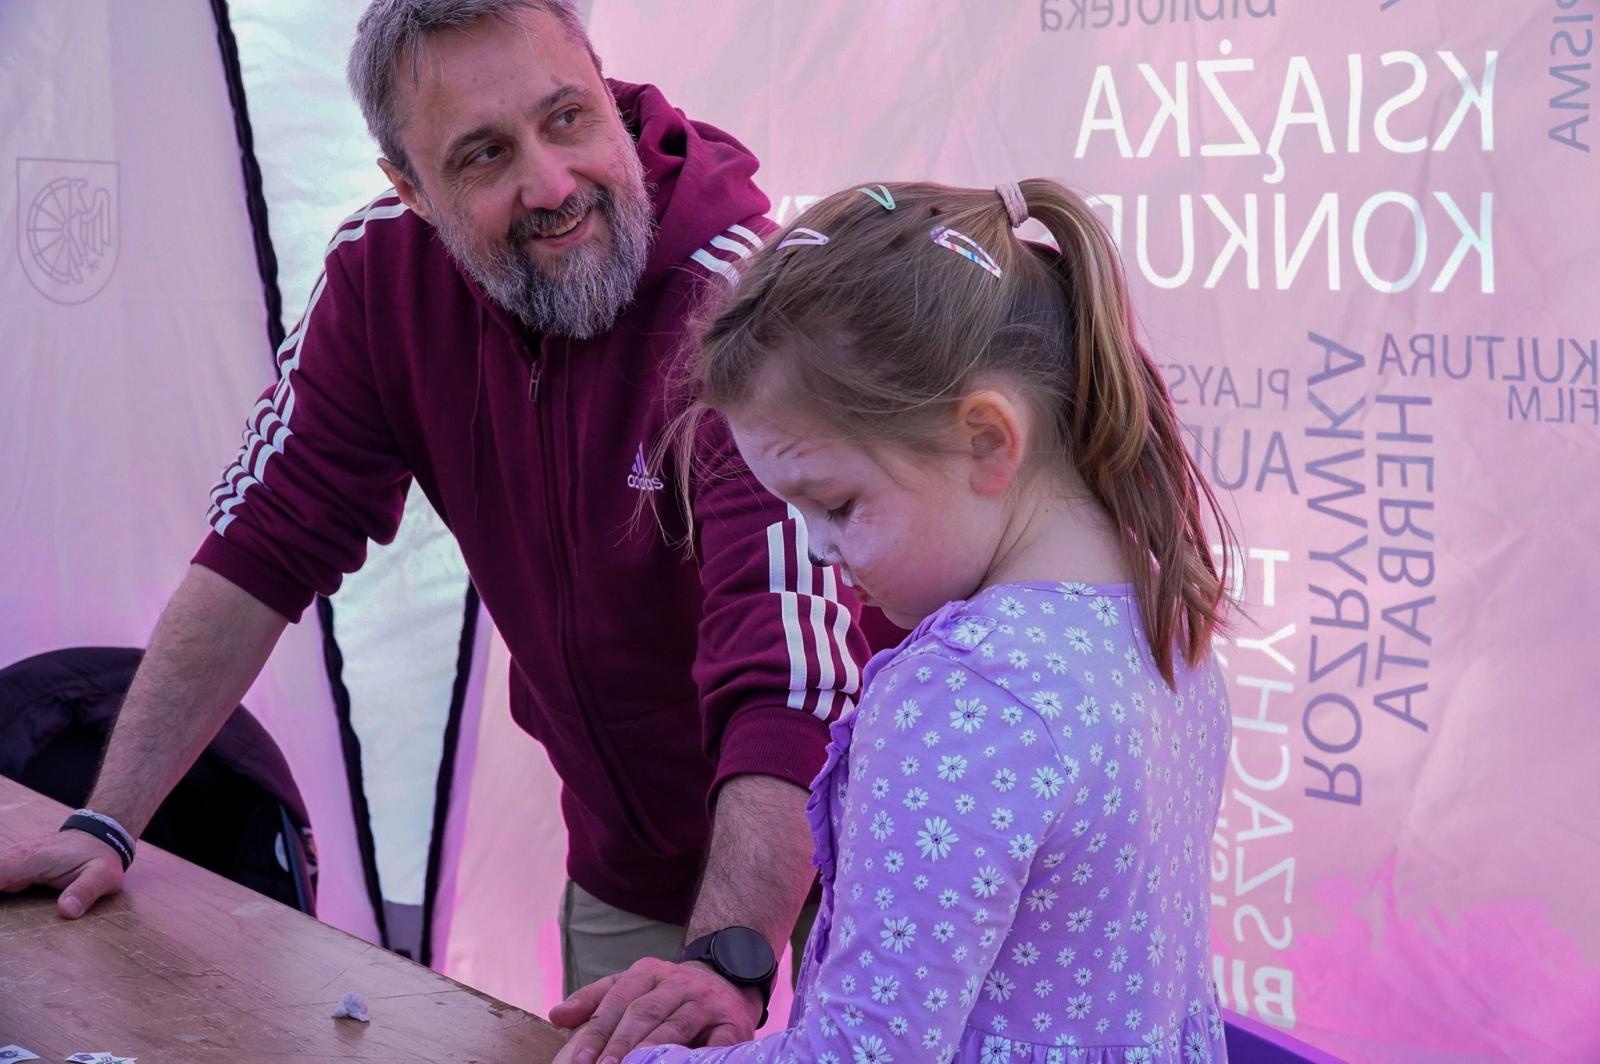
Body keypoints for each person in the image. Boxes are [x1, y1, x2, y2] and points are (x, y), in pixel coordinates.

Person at [0, 0, 868, 1052]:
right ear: (408, 187)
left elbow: (791, 669)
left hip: (852, 862)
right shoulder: (380, 281)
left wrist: (727, 956)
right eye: (484, 155)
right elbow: (261, 545)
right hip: (625, 866)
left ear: (605, 85)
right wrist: (105, 818)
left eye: (565, 118)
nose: (549, 184)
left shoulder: (737, 303)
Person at [558, 179, 1237, 1063]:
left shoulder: (964, 699)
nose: (821, 550)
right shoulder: (1159, 621)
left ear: (988, 442)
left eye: (836, 503)